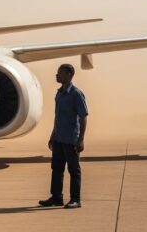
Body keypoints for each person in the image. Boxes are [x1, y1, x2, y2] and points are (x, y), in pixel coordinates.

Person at [39, 63, 89, 209]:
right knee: (56, 169)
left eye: (59, 73)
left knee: (74, 170)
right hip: (59, 139)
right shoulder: (59, 93)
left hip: (71, 139)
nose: (56, 75)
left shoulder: (76, 94)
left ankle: (75, 199)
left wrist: (81, 139)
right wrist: (52, 136)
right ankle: (56, 197)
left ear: (68, 75)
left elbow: (83, 117)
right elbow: (58, 117)